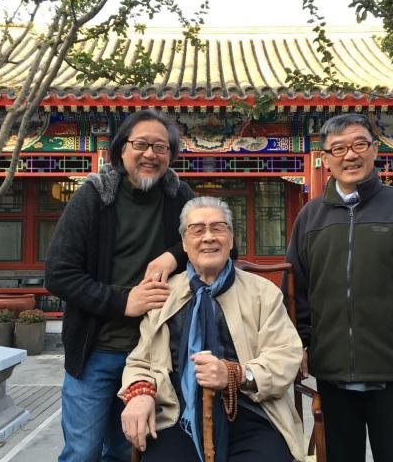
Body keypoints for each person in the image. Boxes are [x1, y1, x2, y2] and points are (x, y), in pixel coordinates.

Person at [285, 113, 393, 462]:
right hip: (331, 371)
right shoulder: (311, 217)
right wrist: (298, 342)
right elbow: (295, 289)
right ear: (325, 158)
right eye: (339, 148)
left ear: (375, 150)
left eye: (359, 144)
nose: (350, 155)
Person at [45, 109, 194, 462]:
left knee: (130, 452)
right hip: (96, 349)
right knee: (82, 452)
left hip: (152, 353)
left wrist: (173, 255)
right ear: (121, 149)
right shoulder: (94, 196)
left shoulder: (178, 196)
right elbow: (59, 273)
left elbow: (223, 244)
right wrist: (123, 303)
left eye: (161, 147)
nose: (150, 154)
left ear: (170, 155)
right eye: (141, 144)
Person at [119, 197, 305, 462]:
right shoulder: (164, 295)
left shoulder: (263, 293)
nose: (208, 237)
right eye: (197, 230)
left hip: (251, 410)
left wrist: (234, 374)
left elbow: (285, 355)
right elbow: (141, 361)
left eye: (218, 228)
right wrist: (140, 393)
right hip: (177, 413)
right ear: (184, 244)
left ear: (231, 239)